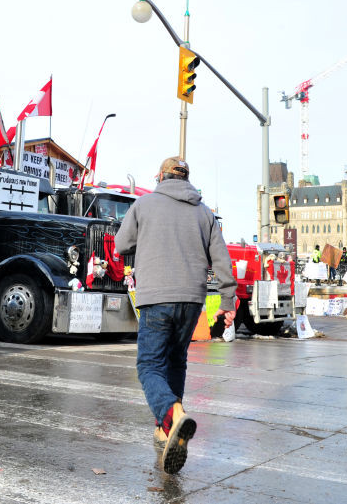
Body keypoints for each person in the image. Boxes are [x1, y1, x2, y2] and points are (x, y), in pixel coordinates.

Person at [114, 156, 237, 475]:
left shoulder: (143, 205)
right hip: (192, 300)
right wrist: (227, 299)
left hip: (156, 297)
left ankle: (171, 414)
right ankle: (166, 430)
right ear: (186, 179)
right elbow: (221, 258)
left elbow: (121, 244)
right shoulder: (204, 212)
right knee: (176, 360)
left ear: (160, 177)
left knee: (149, 365)